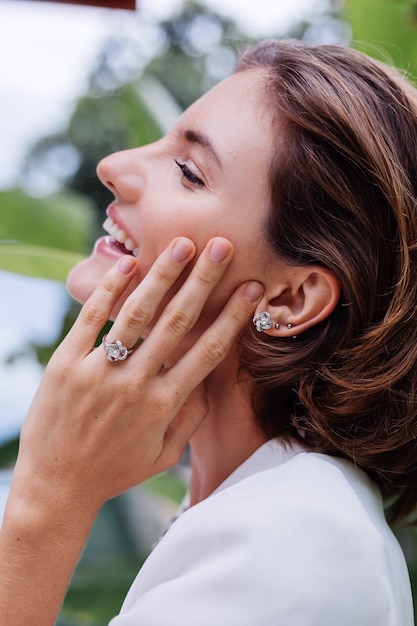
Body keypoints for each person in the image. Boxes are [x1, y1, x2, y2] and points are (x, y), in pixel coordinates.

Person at [1, 38, 417, 626]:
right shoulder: (255, 515)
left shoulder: (298, 540)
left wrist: (45, 501)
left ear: (292, 298)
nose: (115, 166)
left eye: (187, 172)